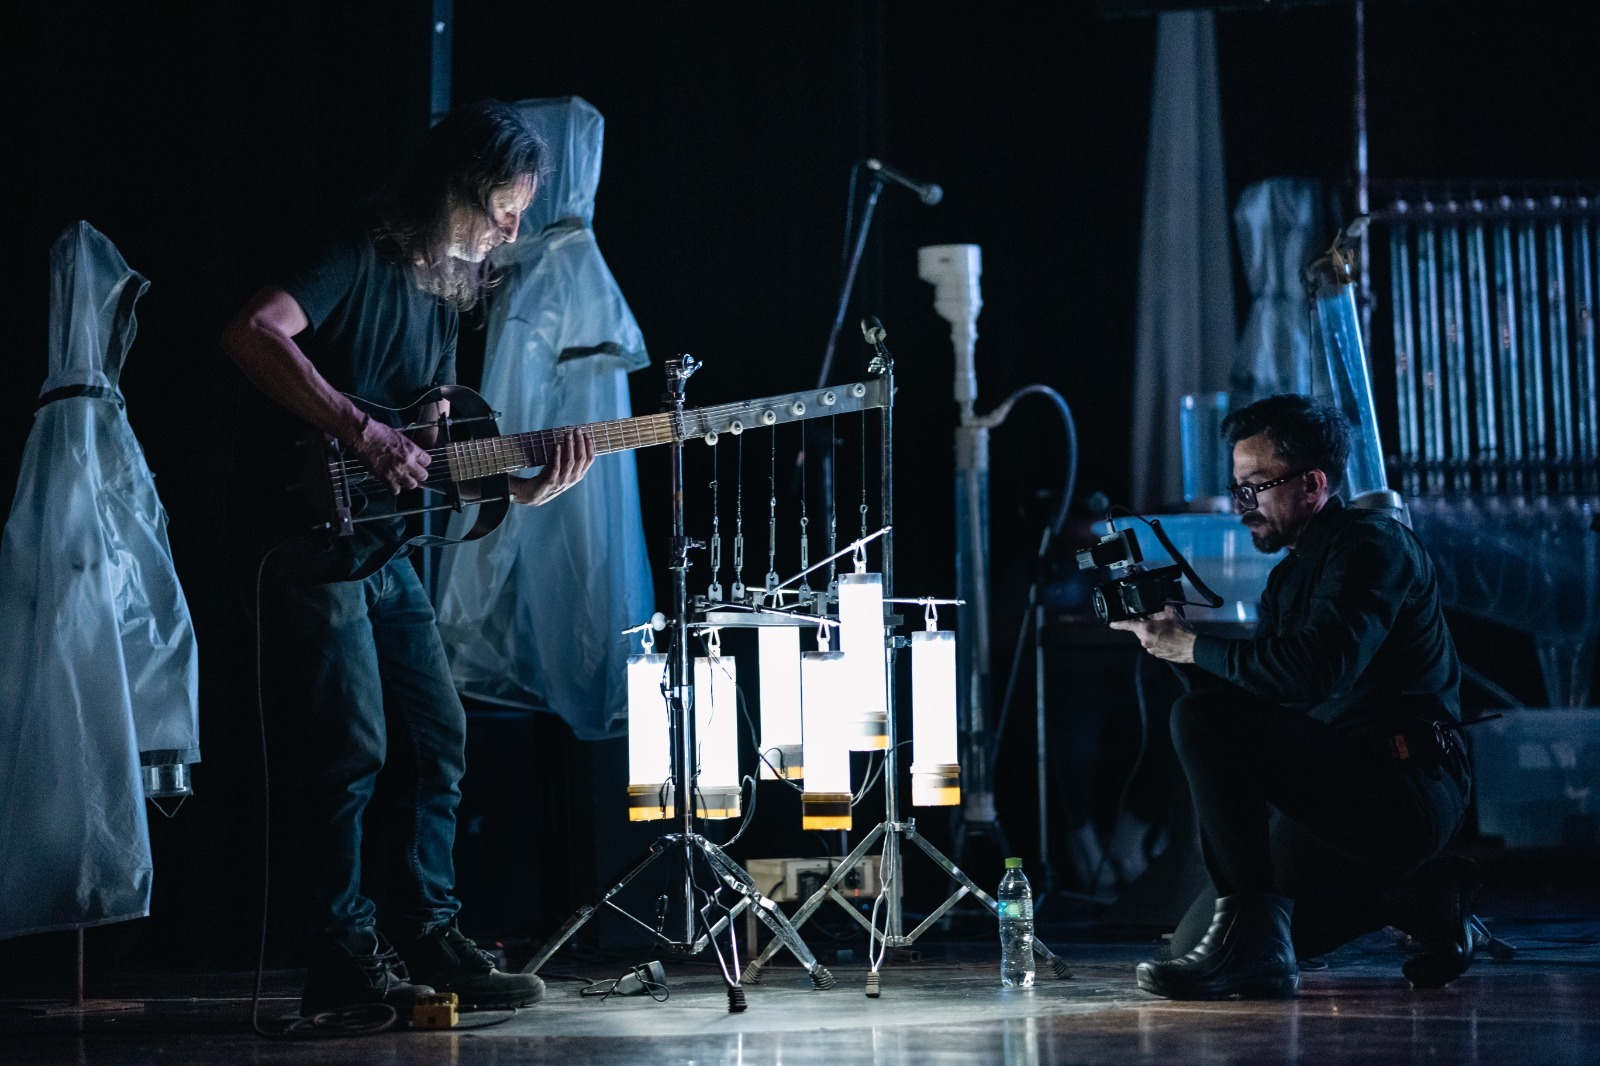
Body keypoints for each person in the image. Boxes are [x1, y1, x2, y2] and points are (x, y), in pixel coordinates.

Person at [221, 100, 595, 1016]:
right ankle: (341, 957)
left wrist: (517, 487)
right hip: (312, 543)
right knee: (351, 748)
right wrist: (360, 429)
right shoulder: (355, 249)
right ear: (454, 188)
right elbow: (252, 332)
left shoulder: (447, 293)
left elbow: (428, 450)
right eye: (503, 209)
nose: (512, 231)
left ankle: (429, 930)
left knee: (438, 738)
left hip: (386, 548)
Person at [1111, 394, 1474, 999]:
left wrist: (1193, 648)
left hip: (1403, 785)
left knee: (1249, 930)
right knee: (1193, 938)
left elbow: (1316, 671)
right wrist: (1170, 645)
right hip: (1330, 796)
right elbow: (1262, 703)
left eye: (1256, 486)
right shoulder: (1288, 576)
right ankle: (1423, 899)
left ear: (1312, 484)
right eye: (1238, 488)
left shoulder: (1372, 546)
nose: (1243, 505)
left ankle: (1261, 946)